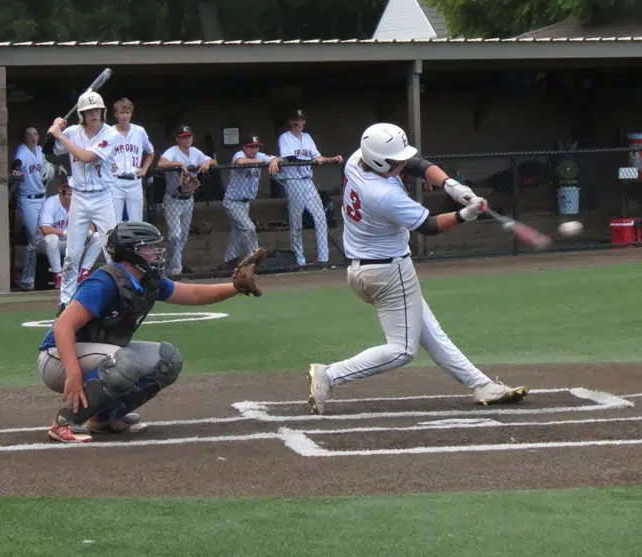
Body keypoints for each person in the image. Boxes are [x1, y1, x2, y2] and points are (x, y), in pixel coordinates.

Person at [307, 123, 528, 415]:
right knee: (402, 349)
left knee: (430, 332)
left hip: (362, 270)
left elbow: (415, 164)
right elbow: (429, 226)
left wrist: (451, 185)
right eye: (394, 161)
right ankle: (331, 374)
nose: (401, 164)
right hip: (389, 274)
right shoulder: (383, 195)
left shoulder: (355, 161)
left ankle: (481, 384)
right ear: (380, 160)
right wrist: (466, 214)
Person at [38, 221, 267, 443]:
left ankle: (105, 417)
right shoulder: (104, 282)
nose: (155, 252)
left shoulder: (147, 280)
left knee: (167, 360)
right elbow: (63, 326)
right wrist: (74, 374)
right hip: (58, 356)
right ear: (132, 253)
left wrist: (236, 287)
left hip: (95, 355)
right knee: (124, 362)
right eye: (148, 247)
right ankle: (65, 421)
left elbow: (193, 294)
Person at [48, 91, 120, 313]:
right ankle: (65, 301)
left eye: (97, 109)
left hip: (102, 196)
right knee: (72, 253)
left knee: (113, 250)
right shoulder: (72, 132)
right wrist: (54, 129)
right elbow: (48, 150)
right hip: (79, 196)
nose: (93, 114)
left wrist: (60, 136)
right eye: (88, 111)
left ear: (103, 111)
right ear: (82, 114)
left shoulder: (112, 133)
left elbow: (89, 157)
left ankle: (119, 296)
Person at [276, 109, 343, 267]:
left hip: (308, 181)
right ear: (291, 121)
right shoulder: (285, 137)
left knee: (320, 218)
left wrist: (331, 159)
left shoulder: (307, 137)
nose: (300, 123)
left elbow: (317, 157)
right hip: (293, 181)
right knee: (297, 223)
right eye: (297, 120)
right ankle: (299, 260)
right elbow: (290, 158)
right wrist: (312, 162)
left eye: (302, 119)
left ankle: (323, 259)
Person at [156, 124, 216, 276]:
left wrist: (206, 162)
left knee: (182, 237)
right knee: (175, 235)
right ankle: (176, 269)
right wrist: (178, 164)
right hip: (173, 199)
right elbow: (160, 163)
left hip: (188, 199)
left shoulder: (195, 152)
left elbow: (214, 161)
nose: (187, 139)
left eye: (189, 136)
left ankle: (173, 265)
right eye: (184, 137)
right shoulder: (173, 151)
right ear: (178, 139)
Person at [11, 125, 62, 290]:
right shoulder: (22, 150)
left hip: (42, 198)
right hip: (28, 199)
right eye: (29, 134)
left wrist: (56, 168)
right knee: (34, 239)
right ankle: (27, 279)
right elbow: (17, 162)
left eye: (35, 133)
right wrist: (16, 169)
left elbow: (45, 167)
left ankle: (44, 275)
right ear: (23, 138)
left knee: (46, 236)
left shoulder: (40, 150)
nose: (33, 137)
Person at [35, 178, 103, 289]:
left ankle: (83, 273)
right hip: (47, 244)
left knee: (98, 237)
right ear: (60, 189)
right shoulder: (51, 203)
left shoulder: (79, 203)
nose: (70, 191)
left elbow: (92, 225)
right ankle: (58, 275)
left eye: (72, 188)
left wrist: (88, 232)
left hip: (70, 242)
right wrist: (64, 232)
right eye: (66, 188)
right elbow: (45, 229)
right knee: (52, 238)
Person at [222, 133, 280, 263]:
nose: (254, 149)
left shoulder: (259, 155)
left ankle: (228, 262)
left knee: (236, 235)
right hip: (232, 202)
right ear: (244, 147)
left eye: (256, 146)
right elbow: (240, 162)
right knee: (249, 228)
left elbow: (281, 159)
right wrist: (264, 161)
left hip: (245, 203)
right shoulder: (239, 155)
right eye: (251, 146)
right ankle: (255, 261)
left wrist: (274, 160)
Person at [111, 98, 155, 222]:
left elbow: (150, 152)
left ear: (131, 113)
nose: (124, 116)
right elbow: (99, 154)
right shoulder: (108, 132)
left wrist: (145, 169)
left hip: (135, 181)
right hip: (115, 181)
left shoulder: (139, 131)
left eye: (127, 112)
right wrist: (107, 165)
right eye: (121, 112)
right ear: (115, 114)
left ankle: (135, 242)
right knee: (114, 222)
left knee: (137, 221)